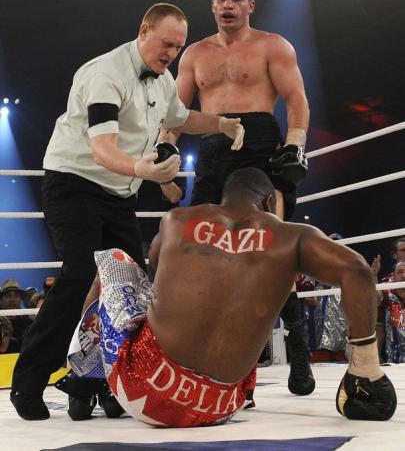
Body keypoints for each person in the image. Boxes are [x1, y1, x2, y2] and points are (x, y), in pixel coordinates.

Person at [11, 2, 245, 421]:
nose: (171, 53)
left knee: (132, 288)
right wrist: (144, 171)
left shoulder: (163, 80)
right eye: (166, 43)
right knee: (80, 273)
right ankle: (28, 383)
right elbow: (102, 149)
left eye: (178, 47)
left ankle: (111, 382)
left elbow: (180, 117)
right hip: (74, 183)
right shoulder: (105, 73)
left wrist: (222, 124)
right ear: (143, 31)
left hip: (119, 193)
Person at [64, 168, 396, 427]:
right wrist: (365, 368)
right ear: (269, 203)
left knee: (112, 262)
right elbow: (357, 271)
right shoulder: (291, 237)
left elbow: (153, 269)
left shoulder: (176, 219)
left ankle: (84, 383)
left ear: (224, 199)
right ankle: (365, 371)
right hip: (219, 405)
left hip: (142, 384)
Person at [172, 0, 312, 394]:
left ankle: (299, 350)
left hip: (261, 144)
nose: (228, 4)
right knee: (204, 251)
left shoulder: (274, 46)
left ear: (250, 5)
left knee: (269, 247)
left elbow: (296, 99)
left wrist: (295, 145)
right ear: (212, 6)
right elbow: (175, 111)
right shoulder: (195, 54)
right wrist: (164, 148)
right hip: (212, 149)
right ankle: (220, 364)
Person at [0, 279, 32, 352]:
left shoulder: (28, 323)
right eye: (8, 296)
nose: (12, 300)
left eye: (16, 296)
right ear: (0, 300)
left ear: (21, 300)